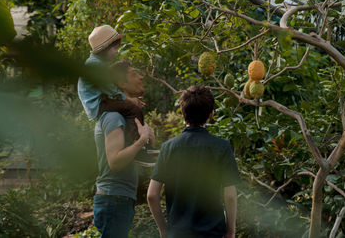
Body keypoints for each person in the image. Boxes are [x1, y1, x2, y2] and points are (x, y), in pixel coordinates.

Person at [147, 85, 241, 238]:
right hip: (212, 233)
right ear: (211, 114)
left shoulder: (168, 148)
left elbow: (152, 195)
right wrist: (231, 231)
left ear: (182, 111)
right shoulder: (221, 147)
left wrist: (164, 230)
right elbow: (230, 195)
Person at [92, 59, 155, 238]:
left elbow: (142, 154)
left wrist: (148, 136)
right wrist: (141, 141)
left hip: (119, 198)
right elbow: (115, 162)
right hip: (113, 199)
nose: (141, 76)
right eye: (134, 74)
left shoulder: (123, 116)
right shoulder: (113, 117)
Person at [78, 24, 155, 166]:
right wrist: (129, 100)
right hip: (99, 104)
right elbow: (111, 90)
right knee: (133, 110)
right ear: (103, 49)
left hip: (101, 101)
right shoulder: (96, 67)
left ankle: (142, 147)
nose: (117, 52)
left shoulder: (96, 64)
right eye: (114, 48)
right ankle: (138, 148)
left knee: (131, 109)